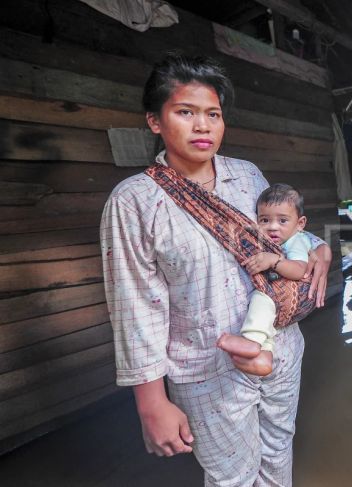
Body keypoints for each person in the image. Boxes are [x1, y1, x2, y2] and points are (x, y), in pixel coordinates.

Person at [100, 53, 332, 486]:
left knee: (279, 450)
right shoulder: (135, 201)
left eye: (213, 114)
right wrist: (152, 404)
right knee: (232, 476)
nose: (203, 126)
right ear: (155, 121)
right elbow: (136, 309)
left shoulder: (246, 176)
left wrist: (321, 250)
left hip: (281, 350)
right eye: (185, 112)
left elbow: (285, 231)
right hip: (206, 370)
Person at [217, 183, 313, 377]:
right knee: (266, 312)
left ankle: (252, 340)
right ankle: (264, 355)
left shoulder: (298, 241)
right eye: (265, 220)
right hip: (278, 295)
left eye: (283, 220)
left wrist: (273, 260)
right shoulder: (276, 239)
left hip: (285, 292)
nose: (272, 227)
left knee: (262, 299)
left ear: (300, 223)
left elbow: (299, 270)